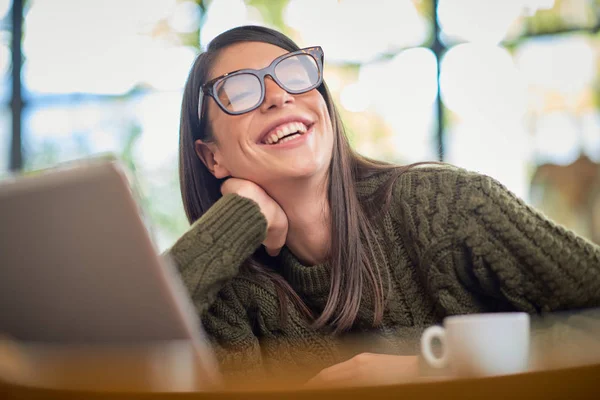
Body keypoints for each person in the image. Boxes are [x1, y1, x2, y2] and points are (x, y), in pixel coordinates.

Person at [166, 25, 600, 386]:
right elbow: (113, 354)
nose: (279, 95)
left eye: (295, 72)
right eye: (240, 91)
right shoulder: (228, 289)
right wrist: (238, 217)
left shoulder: (441, 205)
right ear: (211, 157)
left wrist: (432, 367)